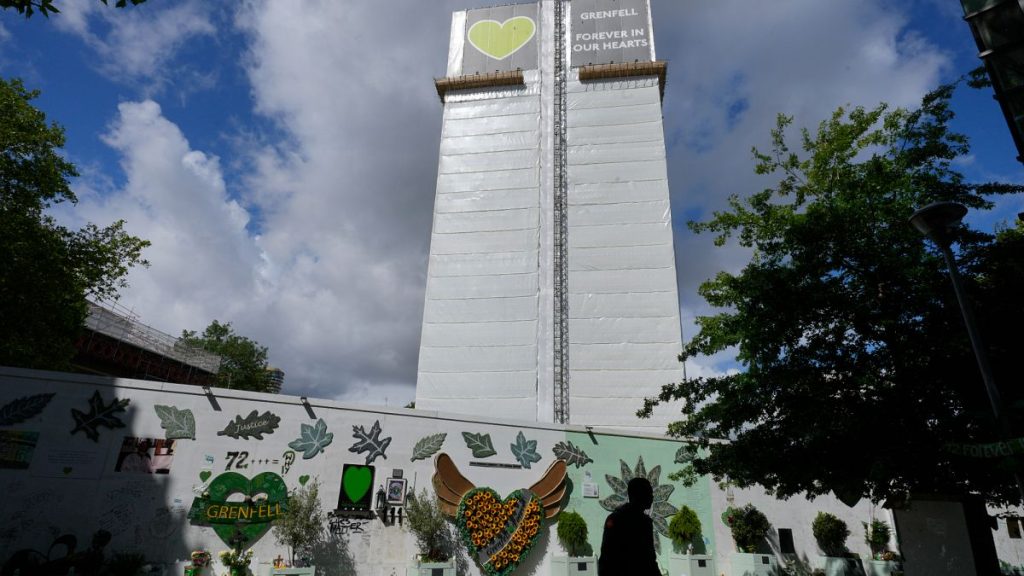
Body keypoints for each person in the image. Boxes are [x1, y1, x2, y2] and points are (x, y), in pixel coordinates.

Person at [598, 477, 660, 576]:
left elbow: (605, 557)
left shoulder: (614, 517)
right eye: (649, 493)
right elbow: (648, 559)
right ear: (639, 495)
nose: (652, 497)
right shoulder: (642, 522)